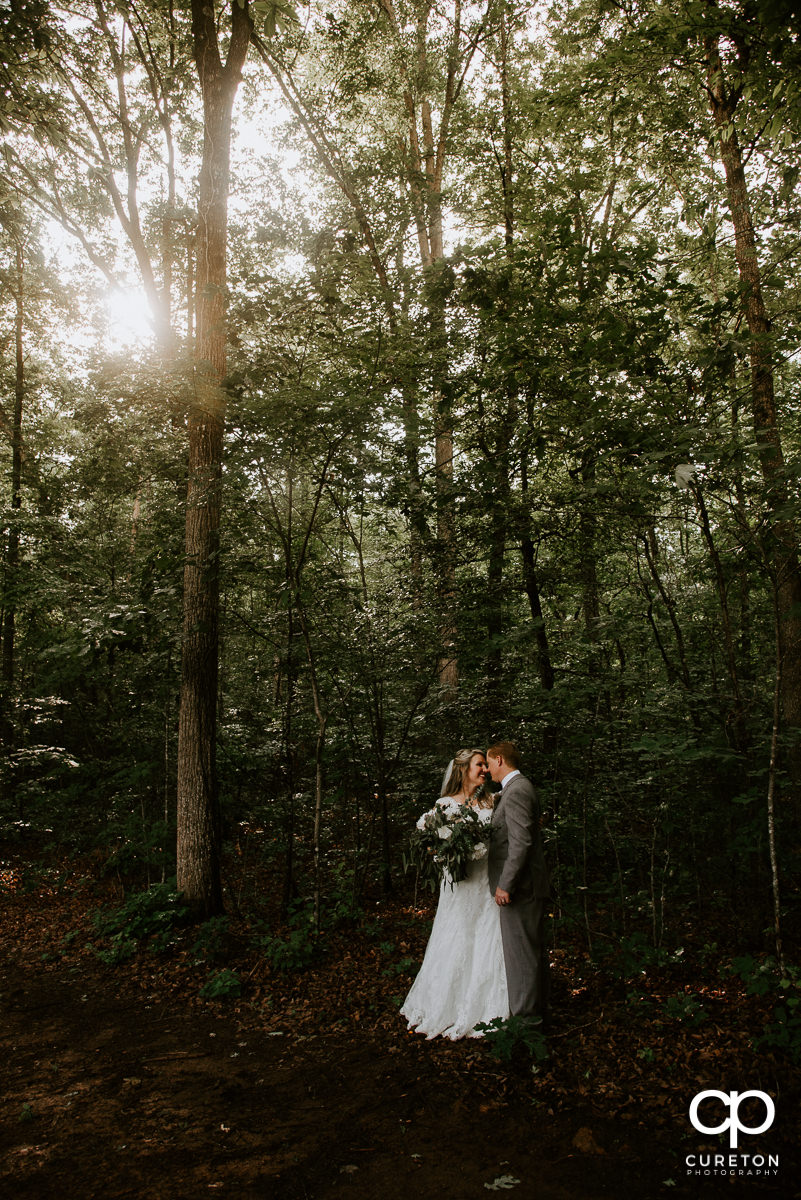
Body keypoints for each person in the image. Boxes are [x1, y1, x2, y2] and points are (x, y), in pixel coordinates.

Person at [400, 748, 509, 1039]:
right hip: (460, 885)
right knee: (458, 935)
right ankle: (446, 1005)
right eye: (479, 765)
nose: (485, 770)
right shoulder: (444, 805)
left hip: (487, 881)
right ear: (463, 770)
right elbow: (430, 843)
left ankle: (488, 1007)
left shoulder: (493, 802)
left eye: (486, 765)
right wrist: (445, 853)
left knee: (488, 937)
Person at [486, 741, 550, 1026]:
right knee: (528, 952)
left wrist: (506, 884)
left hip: (522, 889)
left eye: (488, 763)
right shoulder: (516, 789)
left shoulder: (517, 790)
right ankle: (534, 1013)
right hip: (526, 887)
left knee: (522, 956)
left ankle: (527, 1024)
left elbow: (521, 842)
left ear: (499, 760)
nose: (487, 771)